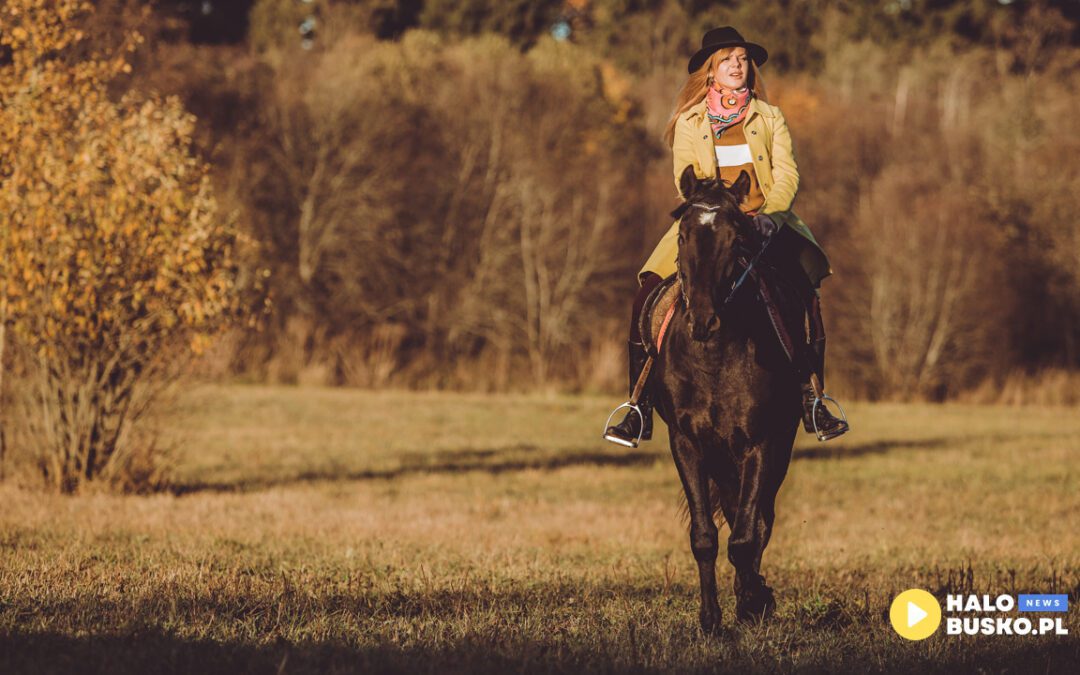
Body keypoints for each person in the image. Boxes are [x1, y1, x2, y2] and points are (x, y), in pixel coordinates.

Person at [603, 26, 849, 447]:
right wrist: (716, 212)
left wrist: (769, 216)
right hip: (709, 221)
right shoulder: (689, 122)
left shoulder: (770, 117)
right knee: (647, 293)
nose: (737, 65)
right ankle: (638, 405)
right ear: (711, 70)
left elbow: (788, 174)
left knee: (804, 292)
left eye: (742, 58)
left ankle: (814, 398)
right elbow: (686, 178)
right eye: (727, 59)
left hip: (767, 222)